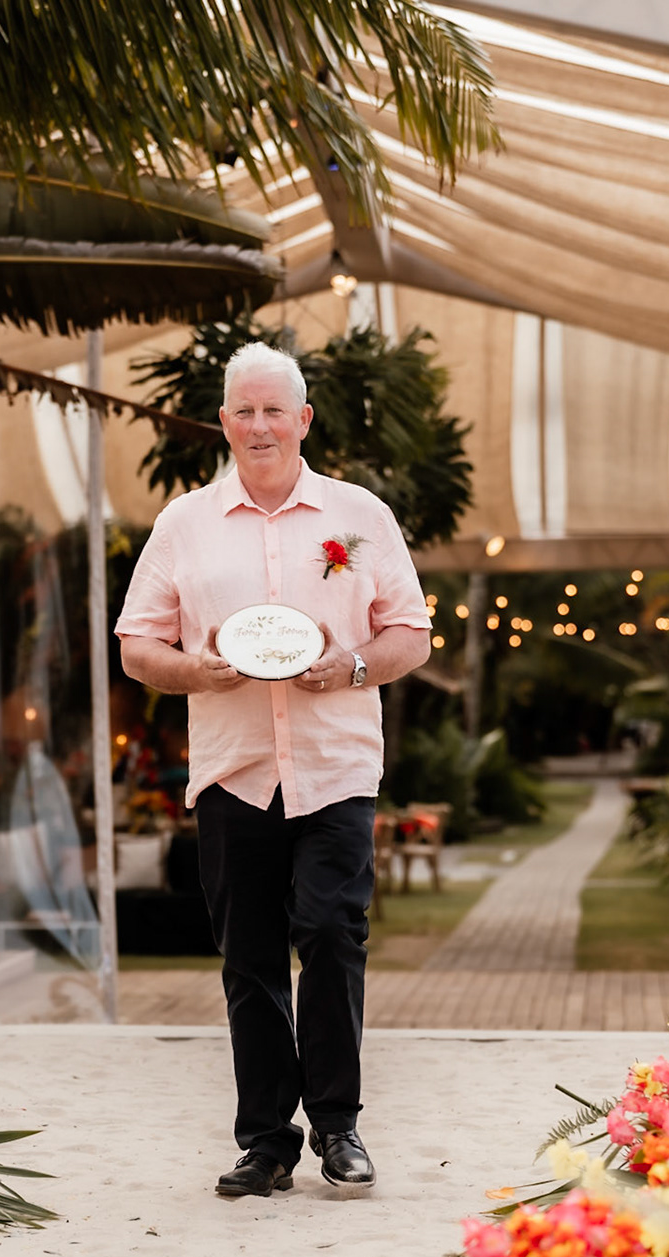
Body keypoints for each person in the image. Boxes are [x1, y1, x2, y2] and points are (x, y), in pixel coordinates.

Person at [115, 342, 432, 1198]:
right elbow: (138, 645)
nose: (259, 426)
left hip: (334, 768)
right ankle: (266, 1142)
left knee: (331, 932)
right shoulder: (183, 524)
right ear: (224, 423)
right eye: (243, 411)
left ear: (304, 420)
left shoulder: (360, 516)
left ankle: (338, 1126)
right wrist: (196, 670)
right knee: (248, 956)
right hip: (234, 771)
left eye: (274, 410)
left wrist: (353, 668)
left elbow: (410, 631)